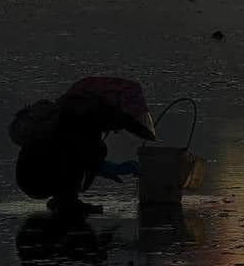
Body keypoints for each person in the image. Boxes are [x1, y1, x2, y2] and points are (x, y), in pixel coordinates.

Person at [12, 78, 152, 217]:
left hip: (32, 175)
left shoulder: (75, 115)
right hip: (36, 178)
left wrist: (100, 166)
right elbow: (74, 154)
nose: (117, 130)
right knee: (95, 152)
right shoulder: (78, 122)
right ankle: (66, 203)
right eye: (122, 121)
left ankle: (64, 200)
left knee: (95, 152)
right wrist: (109, 168)